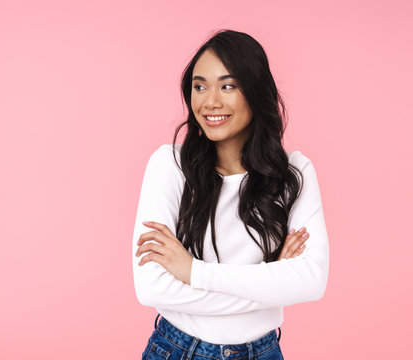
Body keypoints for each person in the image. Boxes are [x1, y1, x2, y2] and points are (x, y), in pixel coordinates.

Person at [132, 29, 329, 360]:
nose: (210, 101)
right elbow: (151, 287)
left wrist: (193, 271)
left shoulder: (294, 172)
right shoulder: (169, 165)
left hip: (263, 352)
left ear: (255, 90)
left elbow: (311, 281)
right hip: (179, 350)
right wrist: (271, 284)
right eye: (199, 86)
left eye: (227, 86)